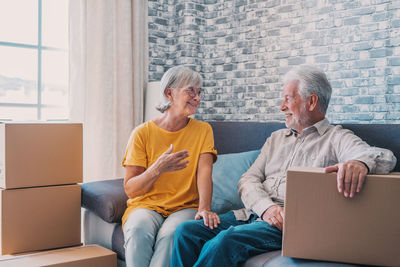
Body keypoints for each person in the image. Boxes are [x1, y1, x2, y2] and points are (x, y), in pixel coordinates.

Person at [170, 65, 397, 267]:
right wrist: (266, 207)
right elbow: (247, 180)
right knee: (186, 232)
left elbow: (385, 157)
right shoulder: (276, 138)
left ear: (312, 101)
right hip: (253, 213)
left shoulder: (336, 137)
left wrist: (359, 163)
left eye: (288, 99)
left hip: (287, 224)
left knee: (224, 242)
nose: (281, 107)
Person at [122, 66, 220, 267]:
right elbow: (131, 190)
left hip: (185, 207)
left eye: (199, 92)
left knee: (172, 235)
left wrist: (204, 208)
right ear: (169, 93)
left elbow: (204, 172)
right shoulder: (142, 133)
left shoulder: (203, 130)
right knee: (138, 229)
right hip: (146, 206)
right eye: (191, 91)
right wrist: (157, 169)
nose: (197, 98)